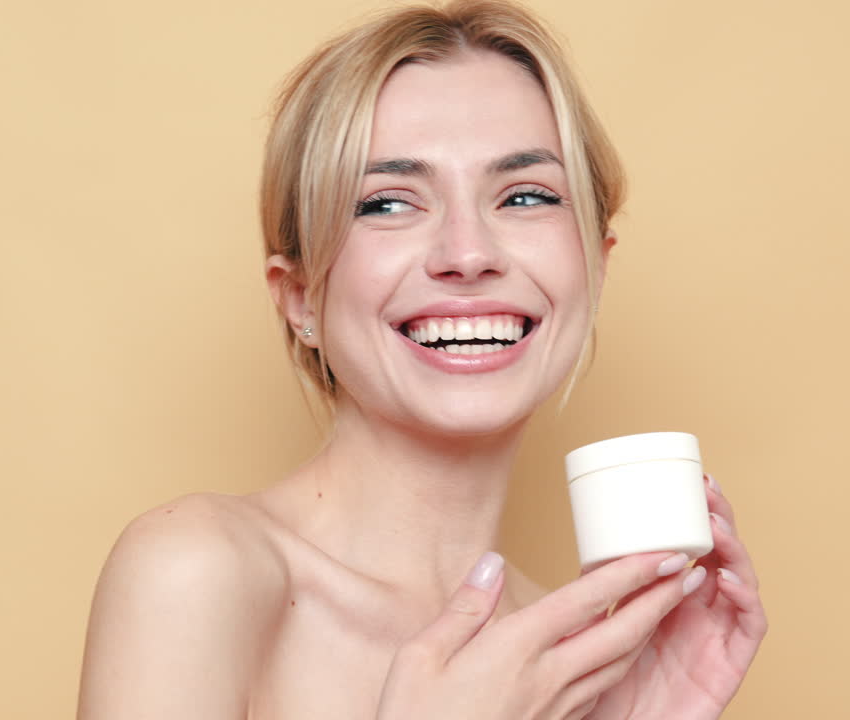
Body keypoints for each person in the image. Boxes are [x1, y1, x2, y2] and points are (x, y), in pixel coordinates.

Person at [76, 1, 766, 718]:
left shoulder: (571, 661)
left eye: (525, 195)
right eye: (388, 203)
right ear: (302, 298)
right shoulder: (194, 573)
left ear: (595, 269)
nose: (468, 255)